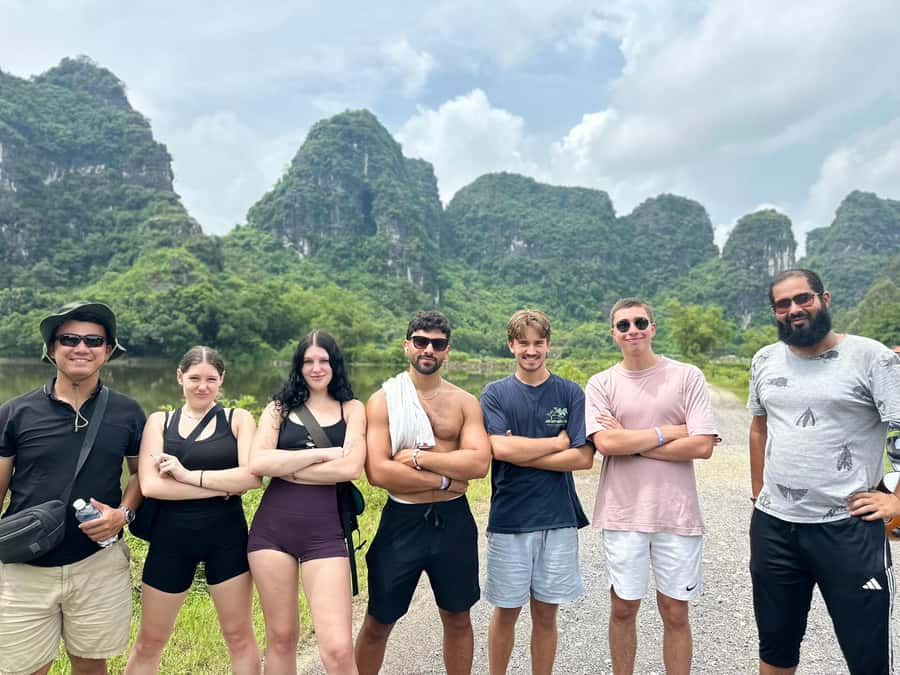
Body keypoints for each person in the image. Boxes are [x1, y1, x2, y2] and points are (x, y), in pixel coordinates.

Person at [748, 269, 900, 675]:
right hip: (774, 528)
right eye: (783, 304)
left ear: (824, 299)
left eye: (803, 299)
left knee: (868, 656)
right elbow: (758, 427)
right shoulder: (764, 359)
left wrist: (896, 500)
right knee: (775, 649)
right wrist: (758, 492)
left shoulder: (872, 357)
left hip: (848, 528)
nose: (794, 310)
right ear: (775, 312)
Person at [0, 301, 146, 675]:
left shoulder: (128, 412)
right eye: (69, 338)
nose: (82, 348)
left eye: (94, 341)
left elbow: (139, 474)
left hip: (96, 563)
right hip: (23, 566)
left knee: (91, 665)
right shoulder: (15, 412)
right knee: (24, 668)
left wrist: (122, 514)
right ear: (52, 349)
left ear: (108, 350)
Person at [585, 298, 718, 675]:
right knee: (623, 606)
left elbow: (702, 445)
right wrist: (666, 433)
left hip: (676, 513)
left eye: (640, 322)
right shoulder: (601, 383)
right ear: (614, 334)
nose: (633, 330)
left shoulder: (686, 376)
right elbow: (606, 444)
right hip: (623, 512)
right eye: (623, 325)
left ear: (653, 327)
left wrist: (632, 443)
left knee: (675, 609)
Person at [355, 310, 491, 675]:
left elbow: (478, 464)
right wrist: (445, 478)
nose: (428, 349)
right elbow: (379, 471)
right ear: (407, 346)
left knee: (458, 616)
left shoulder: (465, 402)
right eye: (421, 341)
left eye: (438, 344)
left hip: (453, 521)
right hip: (403, 519)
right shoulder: (384, 400)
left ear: (447, 351)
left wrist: (416, 458)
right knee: (379, 619)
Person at [125, 346, 261, 674]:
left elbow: (251, 478)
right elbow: (151, 487)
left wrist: (187, 476)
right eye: (194, 378)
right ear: (179, 377)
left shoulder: (238, 419)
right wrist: (223, 485)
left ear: (221, 380)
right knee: (150, 641)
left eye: (211, 379)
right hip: (170, 541)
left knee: (238, 636)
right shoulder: (160, 422)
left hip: (227, 540)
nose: (202, 386)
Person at [480, 309, 594, 675]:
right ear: (511, 345)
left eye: (538, 343)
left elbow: (583, 458)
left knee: (546, 614)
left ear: (549, 345)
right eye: (524, 343)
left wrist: (524, 452)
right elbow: (499, 450)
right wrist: (556, 442)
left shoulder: (570, 393)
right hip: (510, 518)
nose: (532, 350)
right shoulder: (495, 394)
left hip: (557, 518)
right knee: (507, 611)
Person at [248, 330, 367, 675]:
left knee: (338, 648)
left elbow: (351, 468)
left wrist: (287, 467)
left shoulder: (352, 409)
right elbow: (257, 464)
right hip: (271, 534)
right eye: (308, 361)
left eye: (323, 361)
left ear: (335, 365)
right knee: (281, 639)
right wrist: (326, 453)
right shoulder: (278, 408)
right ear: (298, 366)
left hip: (325, 536)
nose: (316, 368)